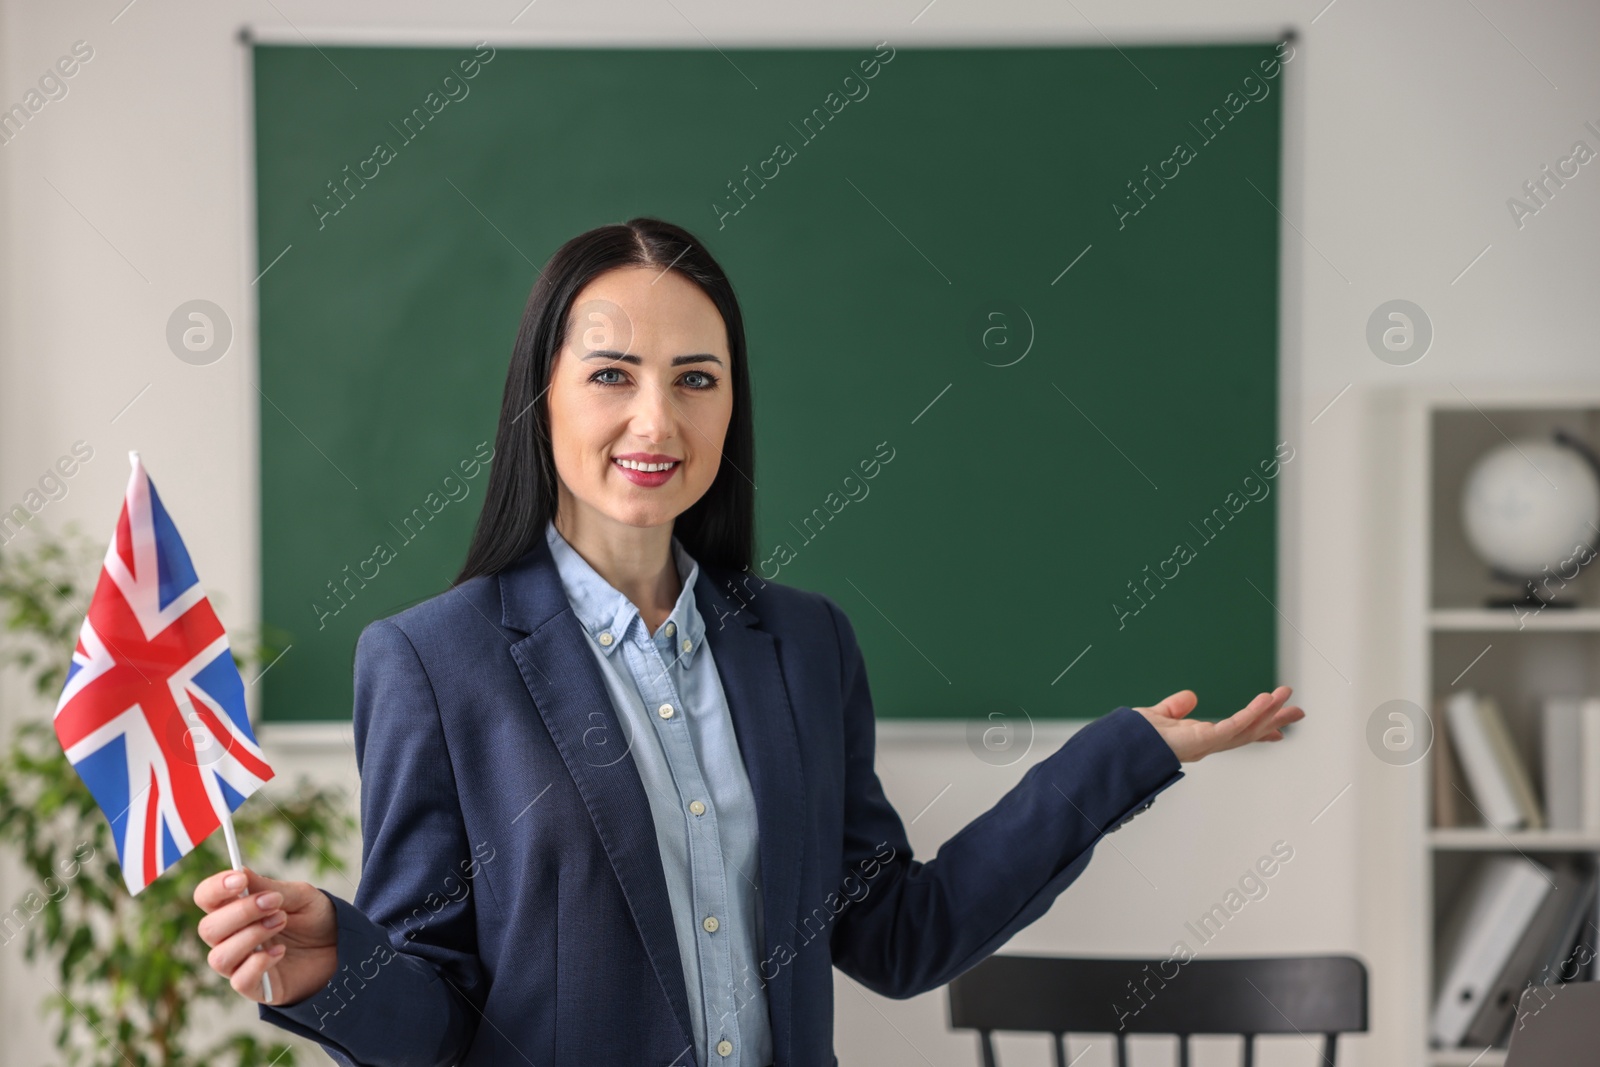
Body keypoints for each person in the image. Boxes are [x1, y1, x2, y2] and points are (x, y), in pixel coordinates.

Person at [193, 217, 1304, 1067]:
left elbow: (897, 933)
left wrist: (1129, 756)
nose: (656, 422)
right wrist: (332, 966)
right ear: (542, 397)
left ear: (732, 407)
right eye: (611, 375)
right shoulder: (435, 663)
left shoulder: (805, 645)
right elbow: (436, 1014)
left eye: (696, 380)